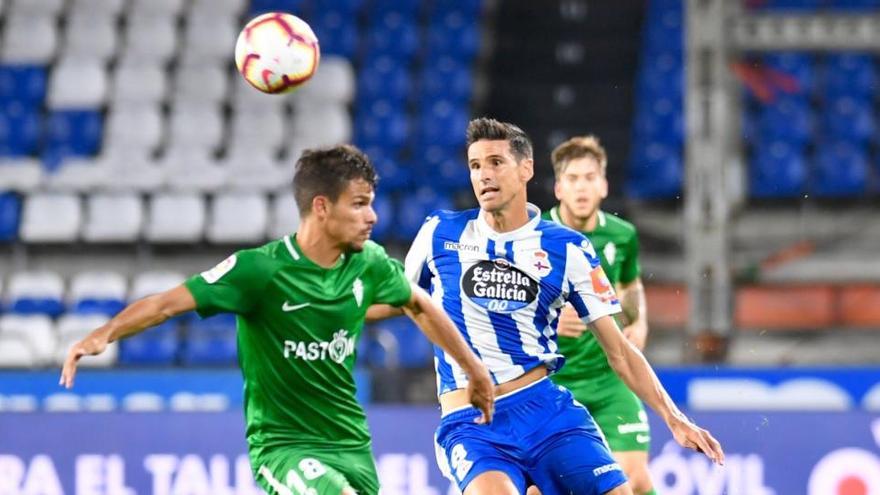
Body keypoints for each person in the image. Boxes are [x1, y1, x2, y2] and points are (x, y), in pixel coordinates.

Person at [59, 144, 495, 495]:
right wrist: (104, 333)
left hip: (352, 445)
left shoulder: (369, 263)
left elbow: (418, 304)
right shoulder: (259, 271)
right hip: (284, 448)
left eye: (372, 203)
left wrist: (474, 370)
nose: (372, 217)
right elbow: (167, 304)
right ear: (321, 207)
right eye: (360, 204)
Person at [367, 118, 723, 495]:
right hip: (473, 423)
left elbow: (618, 349)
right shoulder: (439, 232)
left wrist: (674, 418)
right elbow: (398, 302)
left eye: (495, 162)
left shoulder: (567, 248)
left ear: (526, 169)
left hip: (547, 410)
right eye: (475, 166)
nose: (483, 175)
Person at [538, 135, 657, 495]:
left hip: (609, 381)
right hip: (552, 382)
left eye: (590, 177)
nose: (582, 187)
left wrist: (639, 320)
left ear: (603, 185)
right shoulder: (535, 236)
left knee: (632, 479)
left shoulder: (622, 235)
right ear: (559, 188)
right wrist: (550, 318)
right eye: (573, 179)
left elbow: (630, 283)